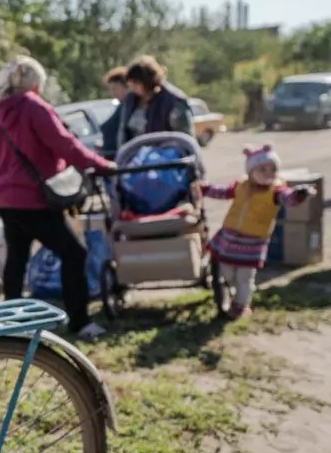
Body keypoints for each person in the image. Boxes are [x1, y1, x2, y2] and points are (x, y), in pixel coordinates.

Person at [0, 55, 114, 340]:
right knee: (74, 254)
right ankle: (80, 321)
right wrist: (102, 164)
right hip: (33, 197)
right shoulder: (33, 106)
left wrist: (0, 158)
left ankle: (11, 321)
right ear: (35, 84)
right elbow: (65, 145)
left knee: (17, 258)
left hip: (5, 197)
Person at [195, 143, 316, 320]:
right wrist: (206, 189)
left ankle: (241, 305)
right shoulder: (241, 185)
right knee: (226, 272)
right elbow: (223, 192)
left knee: (245, 277)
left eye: (273, 169)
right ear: (250, 171)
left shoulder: (276, 191)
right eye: (263, 169)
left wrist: (299, 195)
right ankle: (231, 291)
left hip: (252, 242)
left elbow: (288, 199)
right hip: (229, 237)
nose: (269, 173)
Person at [116, 55, 194, 150]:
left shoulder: (173, 101)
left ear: (147, 81)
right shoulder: (130, 100)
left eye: (136, 83)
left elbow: (184, 138)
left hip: (167, 155)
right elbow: (123, 133)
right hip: (134, 155)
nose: (132, 87)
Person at [99, 67, 128, 158]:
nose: (112, 93)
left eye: (115, 89)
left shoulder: (130, 107)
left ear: (126, 86)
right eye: (111, 89)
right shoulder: (121, 106)